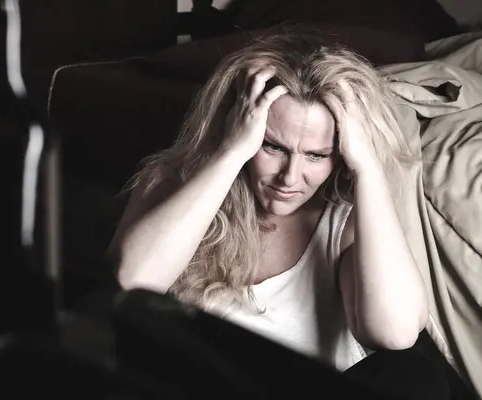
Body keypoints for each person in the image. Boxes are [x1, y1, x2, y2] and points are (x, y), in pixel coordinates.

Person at [106, 33, 466, 398]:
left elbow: (396, 332)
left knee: (416, 376)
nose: (290, 179)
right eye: (272, 146)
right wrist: (232, 153)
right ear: (236, 124)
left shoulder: (349, 220)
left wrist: (368, 168)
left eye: (316, 155)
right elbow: (130, 284)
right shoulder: (172, 183)